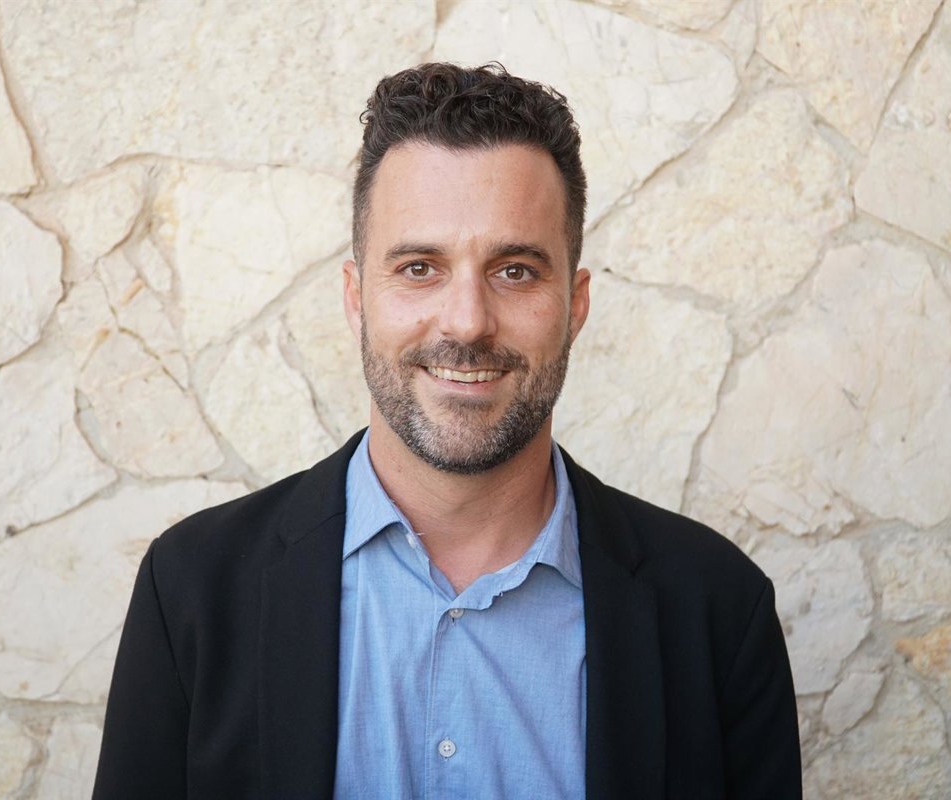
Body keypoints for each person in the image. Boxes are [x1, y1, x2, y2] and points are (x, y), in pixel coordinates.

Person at [93, 62, 801, 799]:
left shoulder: (719, 611)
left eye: (515, 270)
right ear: (356, 298)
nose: (467, 322)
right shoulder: (191, 590)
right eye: (419, 268)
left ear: (576, 303)